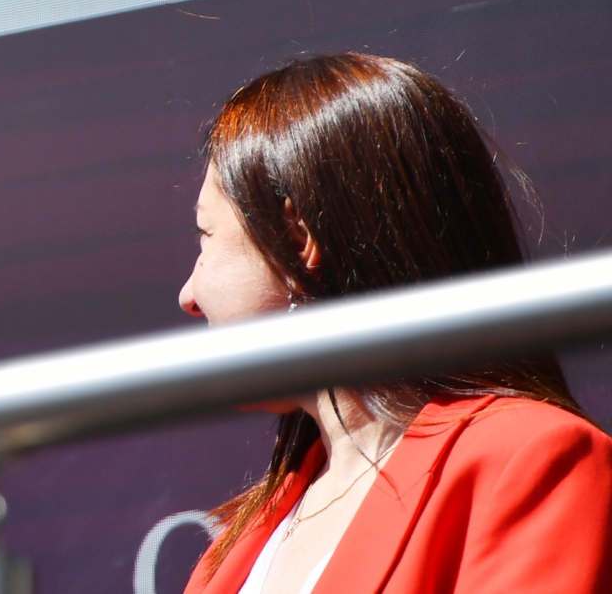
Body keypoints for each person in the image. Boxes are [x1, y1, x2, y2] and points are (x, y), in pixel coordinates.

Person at [176, 52, 612, 594]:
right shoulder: (237, 547)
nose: (188, 295)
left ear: (297, 237)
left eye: (206, 236)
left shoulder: (528, 462)